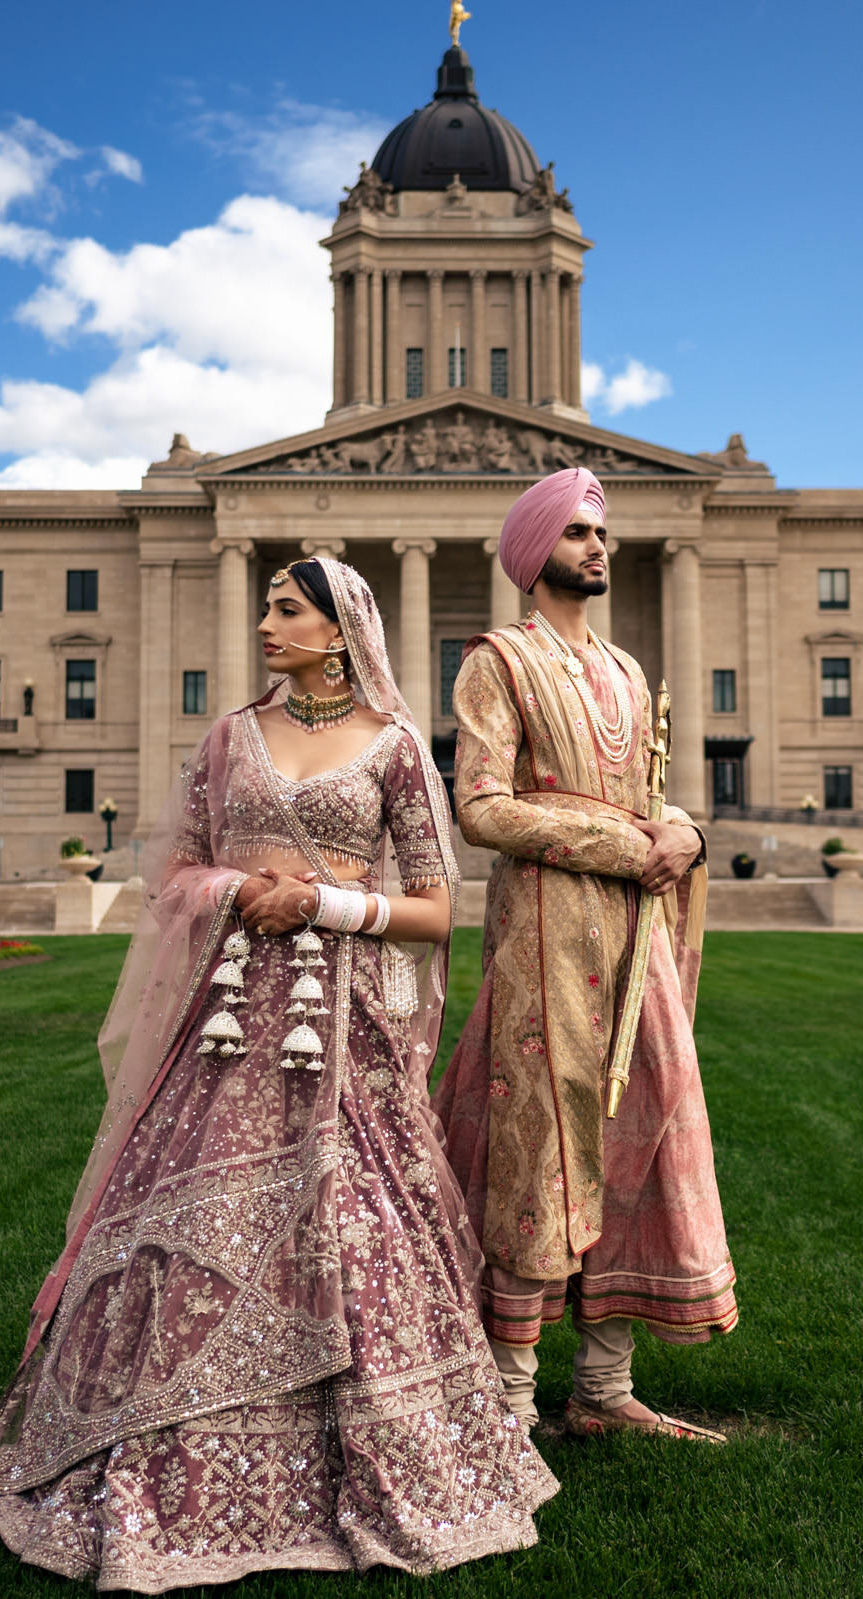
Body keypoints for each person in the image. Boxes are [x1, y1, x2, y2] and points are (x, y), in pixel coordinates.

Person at [0, 558, 556, 1587]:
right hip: (221, 1027)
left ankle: (369, 1448)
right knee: (184, 1227)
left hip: (342, 1029)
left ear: (338, 628)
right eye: (265, 606)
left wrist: (328, 906)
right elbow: (170, 870)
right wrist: (236, 887)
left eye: (285, 609)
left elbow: (438, 911)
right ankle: (156, 1451)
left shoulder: (395, 752)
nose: (264, 623)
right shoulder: (229, 738)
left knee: (362, 1223)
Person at [433, 470, 737, 1441]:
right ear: (532, 553)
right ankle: (509, 1404)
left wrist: (681, 833)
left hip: (636, 933)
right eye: (572, 531)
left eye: (598, 531)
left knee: (643, 1122)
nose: (594, 546)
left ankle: (603, 1393)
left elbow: (651, 801)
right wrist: (625, 846)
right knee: (539, 1143)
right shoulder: (494, 662)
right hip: (543, 934)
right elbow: (478, 808)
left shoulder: (629, 670)